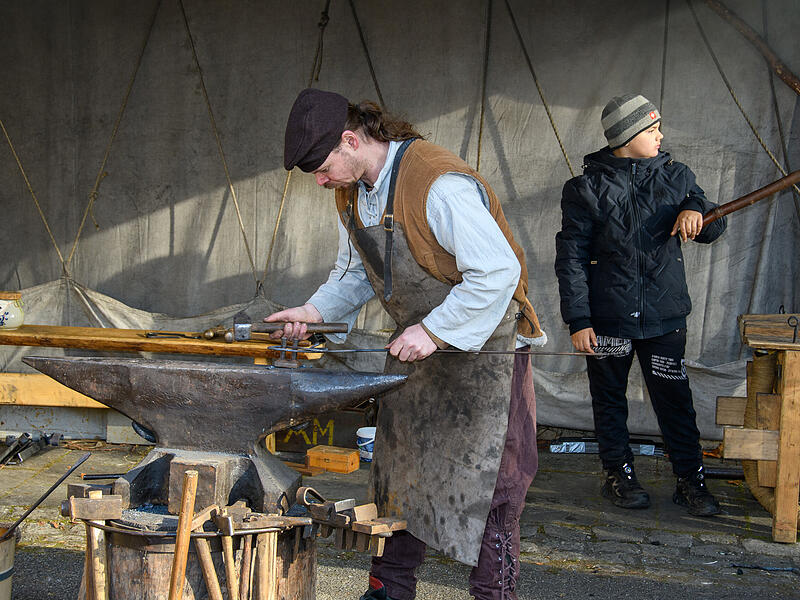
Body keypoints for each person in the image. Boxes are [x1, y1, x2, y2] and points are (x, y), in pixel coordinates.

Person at [266, 88, 546, 600]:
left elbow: (498, 272)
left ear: (351, 140)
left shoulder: (436, 184)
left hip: (486, 353)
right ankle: (389, 591)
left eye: (323, 169)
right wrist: (314, 312)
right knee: (400, 478)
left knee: (492, 489)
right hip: (418, 350)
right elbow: (356, 272)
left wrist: (436, 331)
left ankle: (494, 595)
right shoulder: (353, 193)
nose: (322, 181)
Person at [554, 94, 727, 516]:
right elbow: (571, 258)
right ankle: (620, 475)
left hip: (666, 319)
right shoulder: (585, 189)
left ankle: (692, 481)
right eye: (652, 130)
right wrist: (579, 320)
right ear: (628, 137)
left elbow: (714, 223)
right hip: (609, 319)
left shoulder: (677, 176)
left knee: (675, 399)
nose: (660, 135)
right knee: (609, 399)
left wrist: (695, 209)